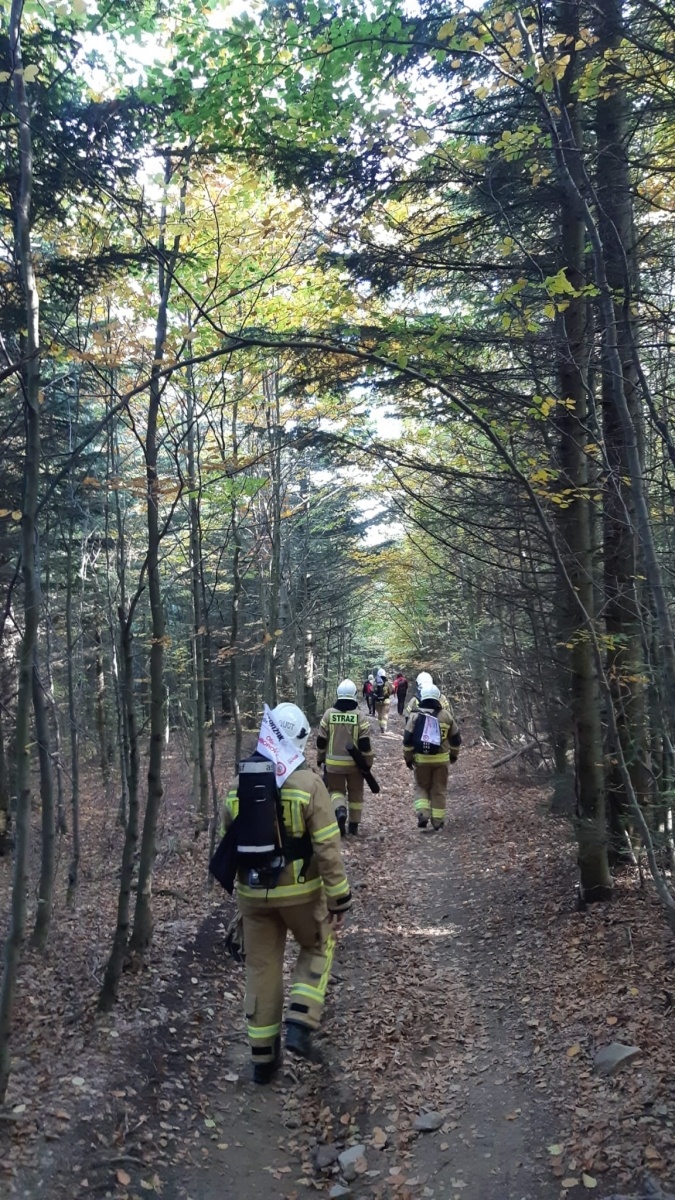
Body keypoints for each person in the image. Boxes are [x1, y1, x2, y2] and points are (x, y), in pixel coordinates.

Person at [222, 702, 352, 1084]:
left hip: (253, 897)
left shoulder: (237, 786)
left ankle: (263, 1059)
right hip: (300, 893)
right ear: (298, 740)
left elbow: (228, 843)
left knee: (261, 968)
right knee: (317, 945)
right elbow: (328, 848)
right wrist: (339, 899)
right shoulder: (310, 785)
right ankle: (300, 1020)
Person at [317, 679, 374, 836]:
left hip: (333, 765)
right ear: (354, 695)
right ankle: (354, 825)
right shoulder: (360, 717)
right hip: (355, 765)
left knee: (336, 791)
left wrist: (320, 757)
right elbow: (365, 744)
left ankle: (340, 810)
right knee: (356, 793)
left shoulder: (328, 714)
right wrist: (368, 763)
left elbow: (321, 739)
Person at [403, 683, 461, 830]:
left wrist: (408, 758)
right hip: (441, 761)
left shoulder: (415, 716)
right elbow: (456, 739)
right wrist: (453, 756)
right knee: (439, 790)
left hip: (421, 760)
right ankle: (438, 821)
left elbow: (407, 740)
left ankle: (423, 813)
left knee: (421, 787)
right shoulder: (446, 716)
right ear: (438, 698)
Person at [373, 668, 392, 733]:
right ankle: (384, 727)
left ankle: (381, 726)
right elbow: (391, 691)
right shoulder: (387, 682)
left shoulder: (375, 682)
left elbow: (372, 691)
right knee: (385, 714)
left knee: (379, 714)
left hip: (377, 701)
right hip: (386, 700)